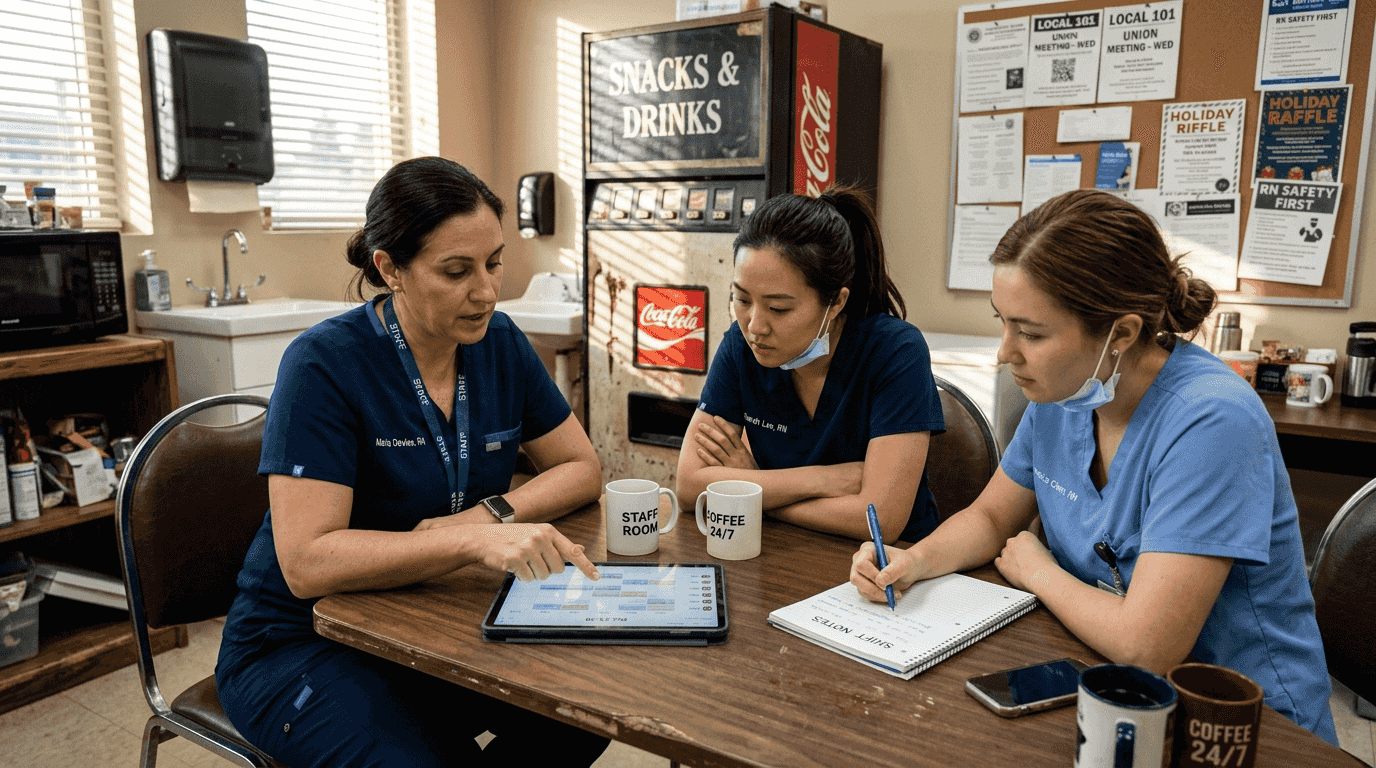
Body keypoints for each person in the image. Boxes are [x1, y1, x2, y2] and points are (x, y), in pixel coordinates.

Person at [849, 189, 1338, 743]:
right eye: (1003, 323)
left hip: (1237, 725)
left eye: (1031, 333)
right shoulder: (1063, 397)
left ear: (1121, 334)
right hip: (1106, 691)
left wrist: (1037, 571)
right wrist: (911, 562)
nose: (1005, 352)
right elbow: (990, 519)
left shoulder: (1212, 421)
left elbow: (1146, 646)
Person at [215, 156, 611, 767]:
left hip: (429, 615)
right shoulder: (324, 366)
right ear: (390, 268)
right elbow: (306, 563)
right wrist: (468, 546)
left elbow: (581, 468)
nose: (485, 290)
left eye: (494, 263)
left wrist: (486, 518)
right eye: (456, 271)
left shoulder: (499, 342)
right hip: (304, 639)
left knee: (584, 712)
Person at [677, 185, 945, 543]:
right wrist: (822, 480)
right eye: (741, 299)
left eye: (778, 308)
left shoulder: (895, 351)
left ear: (835, 303)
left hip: (891, 569)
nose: (755, 326)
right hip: (786, 552)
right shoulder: (741, 346)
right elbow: (689, 487)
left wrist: (750, 490)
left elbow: (879, 521)